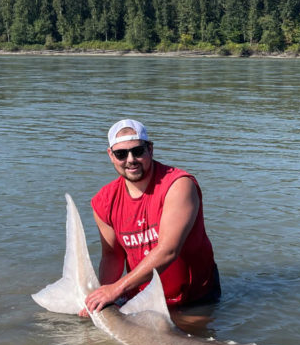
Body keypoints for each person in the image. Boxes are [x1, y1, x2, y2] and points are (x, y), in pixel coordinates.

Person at [82, 118, 219, 315]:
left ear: (150, 149)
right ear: (111, 155)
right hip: (140, 300)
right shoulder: (104, 201)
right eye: (121, 154)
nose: (130, 160)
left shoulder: (178, 185)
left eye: (137, 151)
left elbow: (168, 251)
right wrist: (104, 297)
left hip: (194, 299)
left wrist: (117, 289)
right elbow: (112, 255)